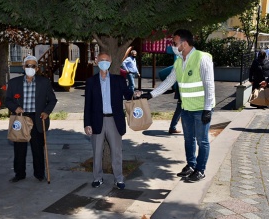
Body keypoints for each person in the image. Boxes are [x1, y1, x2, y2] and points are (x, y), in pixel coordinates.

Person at [140, 29, 215, 182]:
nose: (172, 45)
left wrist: (208, 108)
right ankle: (191, 165)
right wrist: (151, 94)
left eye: (174, 43)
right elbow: (169, 81)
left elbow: (209, 85)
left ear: (185, 44)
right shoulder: (179, 61)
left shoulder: (202, 58)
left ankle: (200, 170)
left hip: (201, 109)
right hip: (186, 108)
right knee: (188, 139)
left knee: (202, 140)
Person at [84, 52, 136, 190]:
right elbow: (87, 104)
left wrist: (135, 94)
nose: (104, 62)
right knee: (97, 152)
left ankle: (118, 178)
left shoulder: (118, 80)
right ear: (96, 61)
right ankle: (97, 178)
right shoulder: (91, 81)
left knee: (116, 151)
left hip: (114, 120)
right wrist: (87, 123)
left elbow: (128, 95)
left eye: (107, 60)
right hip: (97, 121)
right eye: (101, 60)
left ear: (111, 61)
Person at [5, 55, 57, 183]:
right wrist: (15, 107)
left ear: (37, 68)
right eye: (27, 65)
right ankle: (19, 174)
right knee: (19, 149)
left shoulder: (44, 82)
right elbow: (7, 100)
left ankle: (39, 174)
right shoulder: (14, 82)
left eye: (33, 66)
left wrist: (46, 112)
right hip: (21, 119)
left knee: (38, 149)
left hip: (37, 119)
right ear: (23, 67)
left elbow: (52, 100)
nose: (30, 68)